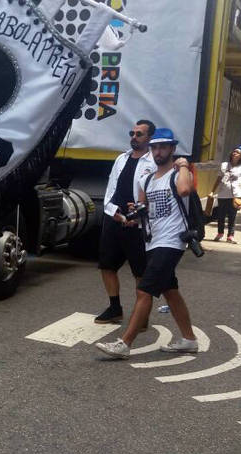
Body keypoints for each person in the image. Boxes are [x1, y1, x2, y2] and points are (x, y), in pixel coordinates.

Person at [95, 128, 198, 359]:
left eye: (164, 147)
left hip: (171, 241)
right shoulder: (147, 179)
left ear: (172, 148)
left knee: (144, 290)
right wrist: (134, 215)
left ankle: (125, 344)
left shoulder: (179, 174)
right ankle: (189, 339)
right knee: (170, 291)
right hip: (153, 240)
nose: (159, 151)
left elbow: (184, 190)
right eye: (155, 147)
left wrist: (182, 166)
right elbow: (143, 210)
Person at [94, 119, 157, 324]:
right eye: (132, 133)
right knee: (107, 265)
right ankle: (114, 308)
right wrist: (112, 211)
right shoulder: (121, 158)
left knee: (140, 271)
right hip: (114, 219)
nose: (134, 137)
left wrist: (139, 214)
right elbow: (110, 189)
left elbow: (157, 194)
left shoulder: (153, 163)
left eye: (139, 134)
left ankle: (142, 315)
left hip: (138, 224)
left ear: (149, 138)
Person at [209, 146, 241, 244]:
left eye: (237, 152)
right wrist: (212, 191)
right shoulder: (224, 165)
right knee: (221, 215)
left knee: (232, 216)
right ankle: (220, 233)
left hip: (236, 195)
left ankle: (230, 236)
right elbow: (219, 179)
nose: (234, 153)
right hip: (222, 194)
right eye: (234, 151)